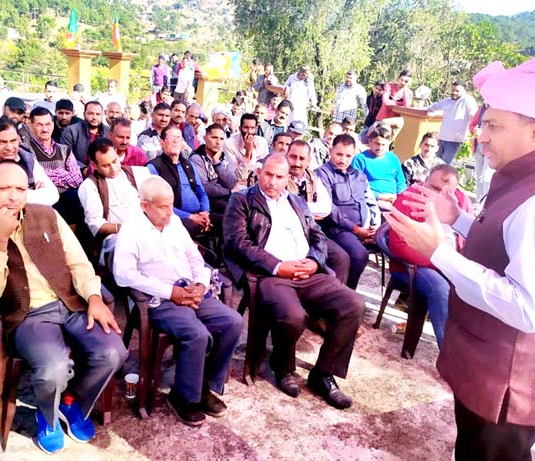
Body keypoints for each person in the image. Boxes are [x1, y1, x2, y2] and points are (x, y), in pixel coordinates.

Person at [383, 56, 535, 460]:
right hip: (495, 374)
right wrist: (458, 220)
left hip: (509, 384)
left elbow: (526, 306)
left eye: (493, 125)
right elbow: (509, 243)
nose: (481, 136)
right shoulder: (533, 175)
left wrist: (438, 252)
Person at [0, 160, 127, 454]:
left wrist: (94, 298)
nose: (13, 196)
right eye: (4, 188)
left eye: (20, 189)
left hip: (70, 303)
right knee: (53, 368)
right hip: (27, 316)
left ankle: (72, 403)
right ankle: (47, 416)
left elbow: (78, 263)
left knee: (113, 352)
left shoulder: (47, 215)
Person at [223, 154, 364, 408]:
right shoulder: (242, 200)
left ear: (288, 178)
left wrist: (314, 261)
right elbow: (237, 242)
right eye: (268, 174)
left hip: (307, 272)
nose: (273, 181)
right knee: (293, 316)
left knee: (353, 305)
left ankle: (323, 374)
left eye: (279, 177)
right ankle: (282, 367)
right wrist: (279, 266)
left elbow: (318, 236)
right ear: (259, 172)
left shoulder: (296, 201)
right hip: (270, 275)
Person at [113, 176, 243, 426]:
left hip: (190, 290)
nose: (169, 212)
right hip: (161, 300)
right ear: (145, 206)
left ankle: (202, 386)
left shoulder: (174, 223)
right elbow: (124, 275)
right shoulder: (131, 230)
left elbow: (195, 258)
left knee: (232, 322)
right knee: (197, 334)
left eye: (171, 205)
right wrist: (170, 292)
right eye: (163, 207)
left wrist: (200, 285)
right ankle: (183, 397)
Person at [388, 165, 472, 347]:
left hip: (449, 262)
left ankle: (469, 349)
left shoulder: (461, 202)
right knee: (440, 289)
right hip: (416, 264)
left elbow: (468, 240)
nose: (439, 195)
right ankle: (448, 351)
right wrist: (440, 262)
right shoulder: (408, 198)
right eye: (434, 188)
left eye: (447, 192)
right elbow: (399, 245)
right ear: (424, 182)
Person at [315, 134, 380, 289]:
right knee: (359, 255)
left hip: (364, 228)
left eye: (348, 156)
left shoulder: (359, 175)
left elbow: (371, 202)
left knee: (397, 245)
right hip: (338, 229)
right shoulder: (322, 174)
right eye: (339, 154)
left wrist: (375, 227)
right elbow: (329, 209)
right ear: (330, 151)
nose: (343, 160)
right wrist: (356, 229)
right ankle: (346, 293)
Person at [284, 141, 351, 286]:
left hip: (311, 232)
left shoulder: (313, 177)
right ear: (286, 156)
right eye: (293, 157)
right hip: (285, 233)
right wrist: (309, 211)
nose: (297, 163)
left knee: (341, 258)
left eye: (302, 158)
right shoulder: (279, 174)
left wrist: (299, 207)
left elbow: (325, 208)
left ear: (308, 161)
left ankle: (334, 298)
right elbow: (284, 207)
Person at [78, 138, 150, 264]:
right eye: (106, 165)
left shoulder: (138, 173)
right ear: (94, 165)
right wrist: (125, 228)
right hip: (117, 238)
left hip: (148, 230)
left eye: (115, 161)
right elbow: (96, 224)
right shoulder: (89, 186)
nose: (113, 169)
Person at [147, 125, 211, 237]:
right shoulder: (154, 167)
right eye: (171, 138)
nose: (176, 141)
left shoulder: (188, 164)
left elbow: (201, 192)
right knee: (191, 226)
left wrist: (205, 212)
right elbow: (159, 204)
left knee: (227, 220)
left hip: (199, 214)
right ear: (162, 143)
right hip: (174, 217)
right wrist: (190, 217)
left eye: (178, 138)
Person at [25, 107, 84, 226]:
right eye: (39, 125)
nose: (45, 129)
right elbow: (33, 177)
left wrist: (46, 175)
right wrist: (63, 173)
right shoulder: (26, 150)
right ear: (30, 125)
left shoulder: (64, 149)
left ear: (53, 124)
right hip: (44, 200)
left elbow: (77, 179)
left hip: (67, 198)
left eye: (48, 124)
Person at [350, 125, 406, 208]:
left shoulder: (393, 158)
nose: (380, 148)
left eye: (383, 145)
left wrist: (399, 197)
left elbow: (400, 182)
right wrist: (380, 196)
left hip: (394, 200)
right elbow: (356, 186)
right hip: (371, 201)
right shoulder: (360, 159)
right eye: (377, 144)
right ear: (370, 142)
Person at [189, 123, 238, 215]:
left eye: (221, 139)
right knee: (236, 211)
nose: (218, 142)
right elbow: (204, 187)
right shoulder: (196, 158)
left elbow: (232, 183)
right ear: (205, 138)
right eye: (214, 137)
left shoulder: (224, 157)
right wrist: (228, 191)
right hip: (208, 202)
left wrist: (217, 163)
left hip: (225, 198)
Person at [427, 81, 479, 164]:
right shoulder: (447, 101)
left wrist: (474, 130)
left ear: (464, 91)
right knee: (436, 164)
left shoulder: (468, 101)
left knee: (445, 166)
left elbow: (474, 117)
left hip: (455, 141)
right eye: (453, 90)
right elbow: (432, 107)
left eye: (457, 91)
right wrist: (430, 111)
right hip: (441, 139)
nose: (454, 93)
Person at [224, 114, 269, 188]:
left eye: (252, 128)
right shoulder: (229, 143)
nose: (249, 131)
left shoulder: (262, 142)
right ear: (240, 128)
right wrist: (248, 152)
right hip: (237, 185)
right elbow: (237, 175)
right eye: (246, 128)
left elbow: (264, 168)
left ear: (256, 129)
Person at [60, 101, 110, 167]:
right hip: (78, 170)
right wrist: (83, 169)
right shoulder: (70, 131)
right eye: (90, 114)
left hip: (103, 169)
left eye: (98, 114)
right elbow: (65, 156)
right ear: (84, 114)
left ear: (102, 115)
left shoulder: (109, 132)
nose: (94, 117)